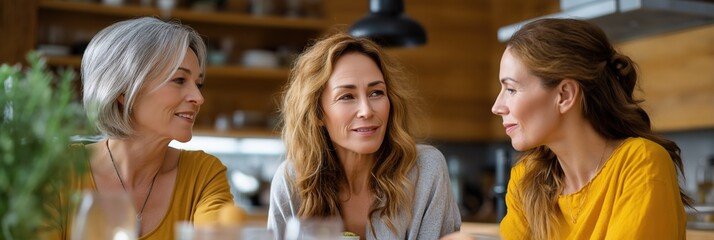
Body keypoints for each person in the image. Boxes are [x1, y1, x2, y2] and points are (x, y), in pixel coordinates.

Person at [489, 18, 691, 239]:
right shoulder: (526, 179)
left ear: (565, 95)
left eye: (510, 89)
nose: (497, 107)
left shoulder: (641, 164)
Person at [45, 17, 234, 239]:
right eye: (179, 80)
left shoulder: (203, 175)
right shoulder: (57, 171)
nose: (198, 98)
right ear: (123, 91)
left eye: (198, 83)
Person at [267, 32, 461, 240]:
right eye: (347, 96)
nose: (366, 110)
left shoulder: (426, 170)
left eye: (376, 92)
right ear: (317, 113)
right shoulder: (292, 181)